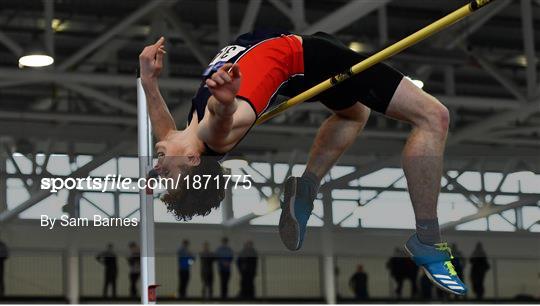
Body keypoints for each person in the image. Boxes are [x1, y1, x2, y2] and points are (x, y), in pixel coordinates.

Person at [139, 29, 464, 294]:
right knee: (434, 117)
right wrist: (225, 103)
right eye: (170, 177)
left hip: (298, 58)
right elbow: (223, 117)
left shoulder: (181, 136)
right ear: (194, 160)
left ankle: (306, 187)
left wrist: (149, 80)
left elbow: (163, 125)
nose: (159, 170)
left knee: (354, 113)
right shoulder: (215, 132)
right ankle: (428, 238)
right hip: (311, 57)